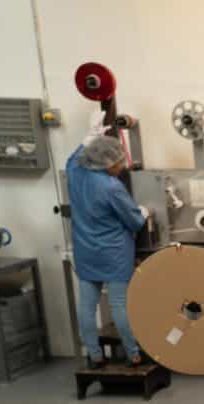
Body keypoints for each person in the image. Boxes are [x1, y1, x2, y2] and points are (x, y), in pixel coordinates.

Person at [65, 111, 146, 368]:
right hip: (113, 253)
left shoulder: (75, 173)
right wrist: (143, 213)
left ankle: (94, 355)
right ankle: (133, 353)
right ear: (105, 163)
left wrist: (87, 139)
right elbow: (134, 221)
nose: (121, 166)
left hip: (86, 250)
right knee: (119, 304)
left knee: (87, 305)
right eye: (118, 162)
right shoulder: (111, 188)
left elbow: (71, 159)